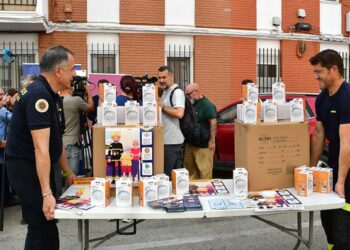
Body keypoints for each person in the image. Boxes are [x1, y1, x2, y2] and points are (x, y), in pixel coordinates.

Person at [5, 45, 76, 250]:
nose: (74, 74)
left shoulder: (48, 93)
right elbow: (40, 148)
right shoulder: (39, 96)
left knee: (47, 225)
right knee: (40, 225)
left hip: (37, 167)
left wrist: (67, 171)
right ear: (58, 71)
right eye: (71, 69)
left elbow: (56, 140)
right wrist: (46, 193)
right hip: (27, 169)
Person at [309, 49, 350, 249]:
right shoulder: (322, 98)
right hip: (333, 165)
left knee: (343, 228)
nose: (316, 76)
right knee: (327, 219)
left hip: (348, 170)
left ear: (334, 69)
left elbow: (347, 143)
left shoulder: (347, 97)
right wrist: (308, 169)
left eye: (319, 71)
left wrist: (341, 180)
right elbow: (318, 134)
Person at [184, 83, 217, 180]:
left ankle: (205, 193)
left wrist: (212, 141)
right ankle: (191, 192)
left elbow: (213, 123)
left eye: (188, 94)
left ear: (195, 92)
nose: (187, 96)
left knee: (204, 172)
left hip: (204, 146)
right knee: (189, 172)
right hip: (190, 144)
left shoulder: (207, 105)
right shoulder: (191, 104)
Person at [60, 82, 94, 176]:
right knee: (71, 176)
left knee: (59, 177)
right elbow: (90, 107)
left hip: (57, 143)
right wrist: (88, 91)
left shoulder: (54, 100)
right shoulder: (75, 100)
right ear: (71, 88)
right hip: (71, 143)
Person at [158, 66, 185, 178]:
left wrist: (162, 107)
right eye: (159, 78)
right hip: (166, 141)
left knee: (170, 176)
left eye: (164, 77)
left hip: (173, 143)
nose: (161, 80)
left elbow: (179, 113)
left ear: (171, 76)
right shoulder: (165, 92)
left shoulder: (177, 92)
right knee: (167, 176)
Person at [0, 89, 19, 207]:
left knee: (5, 174)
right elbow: (14, 119)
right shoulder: (2, 110)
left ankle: (7, 198)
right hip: (2, 145)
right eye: (0, 95)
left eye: (3, 94)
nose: (2, 97)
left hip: (5, 147)